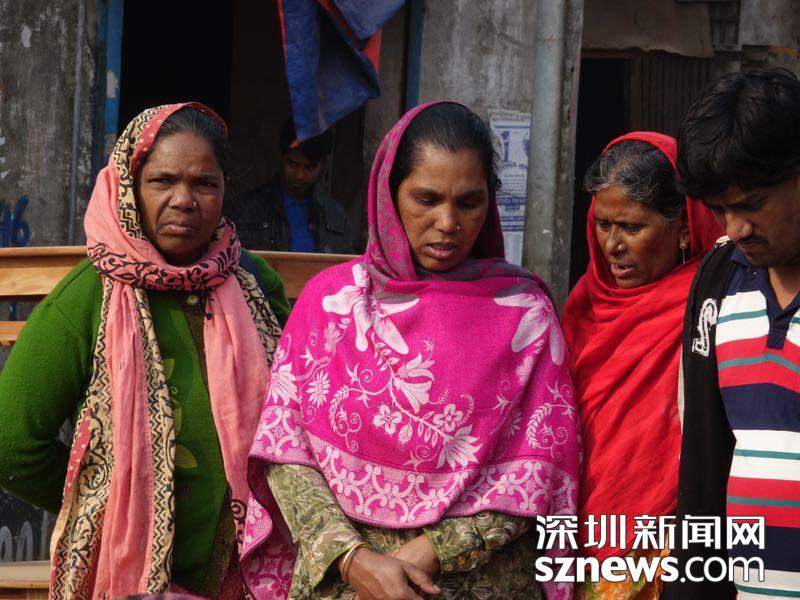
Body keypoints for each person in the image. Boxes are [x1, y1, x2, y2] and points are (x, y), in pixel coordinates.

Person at [238, 102, 581, 600]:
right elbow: (286, 449)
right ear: (389, 193)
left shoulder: (525, 316)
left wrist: (430, 552)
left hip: (476, 584)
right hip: (344, 584)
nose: (448, 222)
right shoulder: (332, 304)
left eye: (469, 202)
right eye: (426, 199)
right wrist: (352, 559)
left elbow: (539, 469)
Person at [0, 103, 290, 598]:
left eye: (205, 184)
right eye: (163, 181)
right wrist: (107, 503)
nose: (184, 200)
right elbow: (11, 441)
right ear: (130, 188)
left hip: (255, 576)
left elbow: (298, 415)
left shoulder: (255, 283)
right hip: (138, 582)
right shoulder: (88, 295)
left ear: (224, 191)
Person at [562, 132, 721, 599]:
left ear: (684, 227)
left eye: (632, 228)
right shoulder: (582, 308)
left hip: (669, 548)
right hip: (572, 541)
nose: (612, 245)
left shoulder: (710, 307)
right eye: (603, 224)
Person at [663, 68, 800, 599]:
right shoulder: (720, 278)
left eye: (752, 204)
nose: (735, 228)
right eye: (721, 209)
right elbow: (704, 460)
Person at [227, 121, 354, 253]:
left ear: (322, 166)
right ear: (281, 158)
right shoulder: (247, 210)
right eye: (293, 164)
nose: (300, 175)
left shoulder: (336, 218)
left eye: (309, 167)